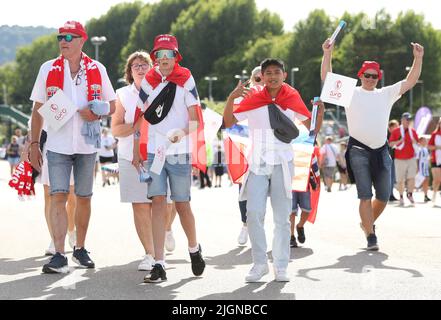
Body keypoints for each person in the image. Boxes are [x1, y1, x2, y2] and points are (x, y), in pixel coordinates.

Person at [29, 21, 116, 273]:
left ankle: (80, 248)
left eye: (69, 36)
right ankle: (59, 253)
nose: (63, 41)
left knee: (84, 198)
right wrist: (34, 143)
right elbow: (37, 110)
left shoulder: (97, 68)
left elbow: (112, 104)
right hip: (56, 144)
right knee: (57, 196)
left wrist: (97, 112)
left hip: (87, 145)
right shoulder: (48, 68)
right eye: (60, 37)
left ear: (82, 40)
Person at [223, 58, 321, 282]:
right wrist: (231, 98)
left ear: (284, 75)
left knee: (282, 217)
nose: (273, 76)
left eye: (277, 72)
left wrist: (319, 112)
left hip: (283, 162)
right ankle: (259, 264)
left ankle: (281, 265)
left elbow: (312, 129)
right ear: (263, 76)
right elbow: (228, 122)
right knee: (254, 213)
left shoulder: (292, 96)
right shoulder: (253, 97)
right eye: (268, 73)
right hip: (257, 162)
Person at [321, 38, 424, 251]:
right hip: (358, 149)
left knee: (384, 195)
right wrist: (327, 54)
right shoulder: (351, 92)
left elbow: (410, 81)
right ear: (360, 76)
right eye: (367, 75)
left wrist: (418, 58)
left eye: (374, 76)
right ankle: (370, 236)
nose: (370, 79)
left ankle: (366, 223)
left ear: (379, 77)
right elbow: (327, 78)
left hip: (381, 150)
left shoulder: (386, 94)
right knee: (365, 195)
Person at [133, 34, 205, 283]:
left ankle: (194, 248)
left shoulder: (186, 79)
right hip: (155, 152)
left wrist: (181, 132)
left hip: (179, 152)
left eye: (168, 54)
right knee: (158, 203)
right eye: (159, 55)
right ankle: (159, 263)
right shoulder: (149, 80)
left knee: (183, 205)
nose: (164, 59)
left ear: (176, 56)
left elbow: (196, 120)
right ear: (155, 57)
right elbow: (140, 117)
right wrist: (136, 150)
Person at [112, 51, 156, 271]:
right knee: (140, 205)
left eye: (144, 64)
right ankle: (150, 253)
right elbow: (116, 128)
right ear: (129, 72)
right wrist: (136, 127)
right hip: (131, 157)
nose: (140, 68)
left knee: (163, 205)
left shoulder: (163, 90)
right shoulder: (123, 94)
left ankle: (163, 234)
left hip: (159, 154)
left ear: (152, 67)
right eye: (135, 65)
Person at [389, 112, 419, 206]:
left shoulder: (413, 131)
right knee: (400, 180)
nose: (408, 121)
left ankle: (410, 194)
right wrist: (399, 141)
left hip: (411, 158)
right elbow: (390, 144)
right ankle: (401, 196)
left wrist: (415, 142)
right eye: (407, 119)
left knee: (411, 178)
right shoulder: (396, 131)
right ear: (402, 120)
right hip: (399, 159)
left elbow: (417, 145)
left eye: (409, 120)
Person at [428, 118, 441, 204]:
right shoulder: (434, 134)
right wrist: (438, 147)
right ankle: (434, 194)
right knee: (437, 179)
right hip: (435, 160)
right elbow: (429, 146)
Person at [387, 120, 400, 201]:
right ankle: (389, 194)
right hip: (389, 159)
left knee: (393, 177)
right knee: (390, 177)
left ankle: (390, 194)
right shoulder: (387, 136)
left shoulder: (397, 135)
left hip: (395, 158)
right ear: (390, 128)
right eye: (395, 126)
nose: (397, 128)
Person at [416, 136, 430, 202]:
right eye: (424, 140)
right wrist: (417, 168)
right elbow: (417, 159)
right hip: (421, 167)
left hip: (426, 167)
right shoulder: (419, 149)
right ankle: (409, 191)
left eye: (426, 140)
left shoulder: (426, 149)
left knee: (426, 181)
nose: (426, 142)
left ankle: (425, 195)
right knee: (420, 180)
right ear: (420, 141)